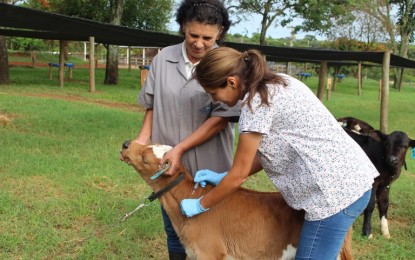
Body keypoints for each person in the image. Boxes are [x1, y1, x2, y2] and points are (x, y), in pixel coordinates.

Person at [180, 47, 380, 259]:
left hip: (333, 197)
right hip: (352, 181)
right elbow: (268, 152)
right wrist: (224, 176)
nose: (214, 100)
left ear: (232, 82)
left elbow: (237, 176)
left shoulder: (255, 106)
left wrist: (201, 204)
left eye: (213, 93)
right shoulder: (280, 82)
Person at [134, 1, 238, 260]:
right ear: (182, 28)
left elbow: (220, 119)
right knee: (175, 231)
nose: (199, 43)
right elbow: (152, 106)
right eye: (193, 35)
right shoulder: (162, 59)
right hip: (167, 165)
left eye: (207, 37)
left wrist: (180, 148)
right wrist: (141, 141)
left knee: (213, 231)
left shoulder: (226, 64)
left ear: (220, 33)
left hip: (209, 166)